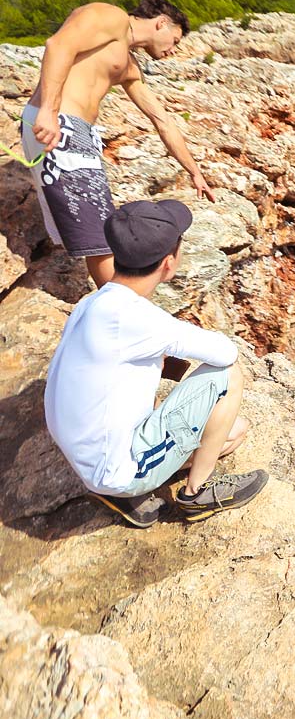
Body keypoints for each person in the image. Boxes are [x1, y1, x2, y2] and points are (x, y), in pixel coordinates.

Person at [44, 199, 267, 527]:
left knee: (222, 432)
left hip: (79, 451)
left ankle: (127, 484)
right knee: (231, 404)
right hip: (113, 472)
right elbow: (225, 354)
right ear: (168, 263)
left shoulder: (91, 303)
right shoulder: (142, 320)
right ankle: (195, 495)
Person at [20, 0, 216, 289]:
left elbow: (162, 121)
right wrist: (49, 111)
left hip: (81, 133)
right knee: (100, 235)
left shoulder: (128, 63)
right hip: (61, 124)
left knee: (100, 227)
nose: (173, 50)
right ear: (161, 23)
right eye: (174, 39)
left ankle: (119, 302)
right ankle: (120, 306)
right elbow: (58, 45)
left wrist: (194, 171)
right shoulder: (109, 16)